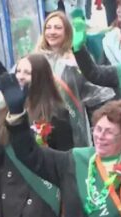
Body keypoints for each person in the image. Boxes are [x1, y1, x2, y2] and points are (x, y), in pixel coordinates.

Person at [0, 66, 121, 217]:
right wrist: (17, 115)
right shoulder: (74, 160)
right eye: (97, 129)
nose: (100, 136)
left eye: (109, 132)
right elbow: (30, 154)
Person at [0, 55, 74, 217]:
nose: (20, 76)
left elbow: (65, 163)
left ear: (41, 77)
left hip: (40, 198)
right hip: (7, 198)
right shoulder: (4, 112)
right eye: (18, 71)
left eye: (27, 72)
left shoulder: (57, 114)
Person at [35, 11, 116, 146]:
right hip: (40, 123)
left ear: (67, 32)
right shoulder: (35, 59)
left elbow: (97, 96)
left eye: (58, 28)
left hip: (69, 126)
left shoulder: (76, 60)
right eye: (48, 28)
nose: (52, 32)